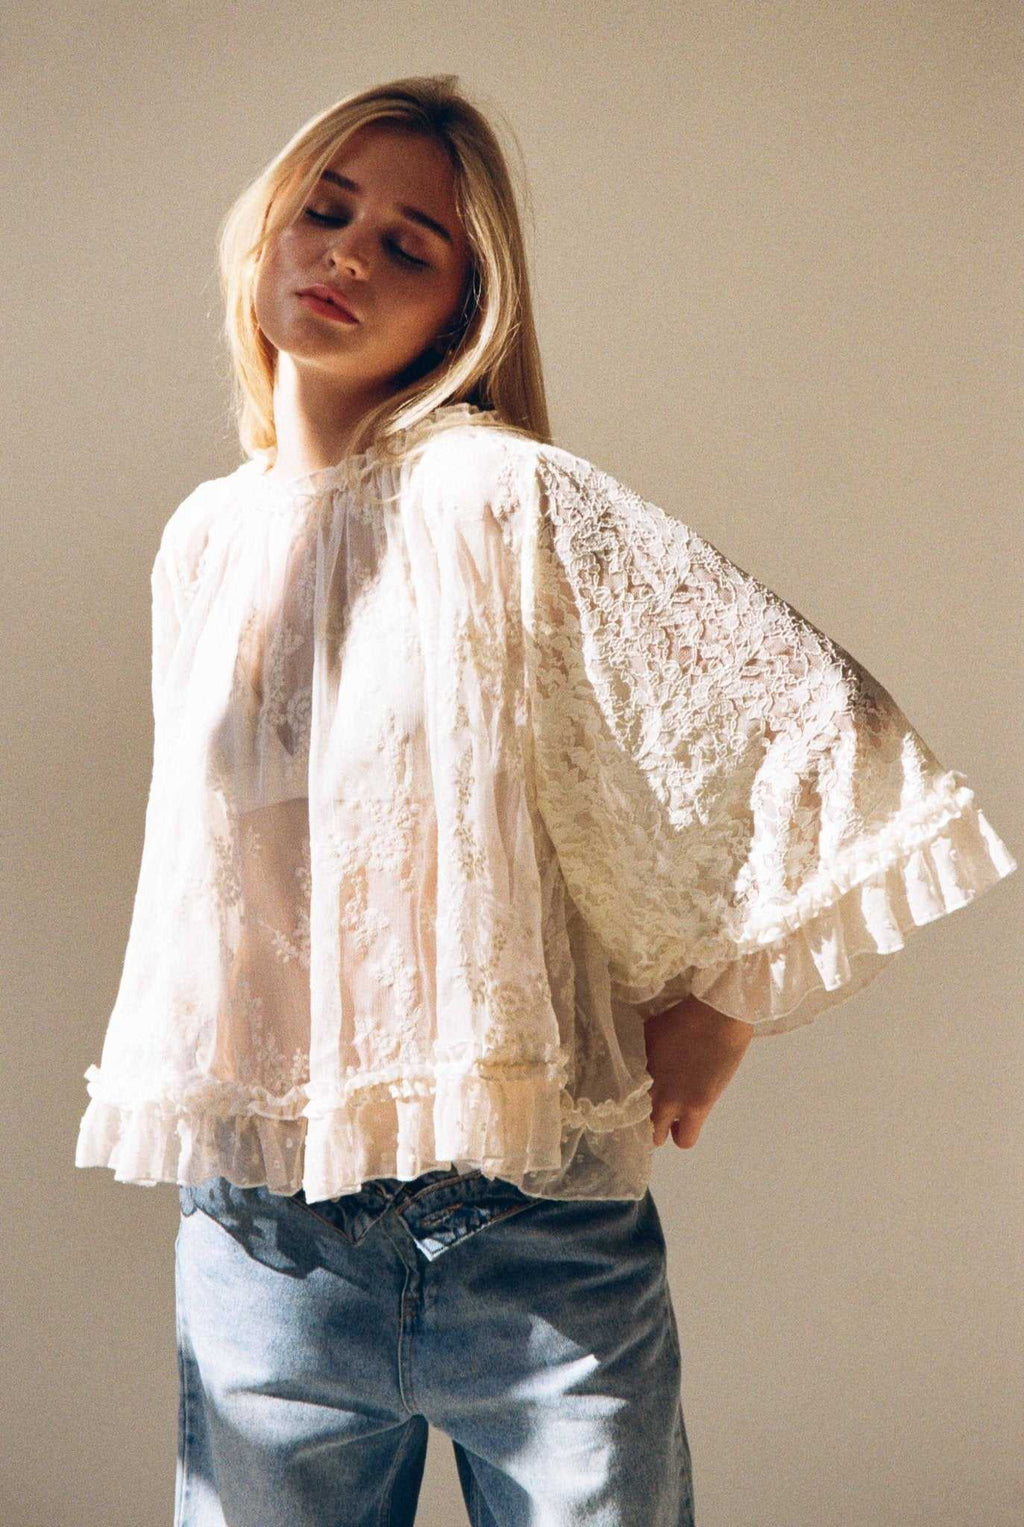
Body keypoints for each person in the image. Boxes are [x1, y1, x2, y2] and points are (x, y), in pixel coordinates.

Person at [74, 74, 1016, 1527]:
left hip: (524, 1235)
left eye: (409, 245)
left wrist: (728, 996)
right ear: (263, 233)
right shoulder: (205, 540)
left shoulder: (494, 498)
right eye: (326, 213)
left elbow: (808, 715)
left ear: (464, 315)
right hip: (261, 1255)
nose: (347, 256)